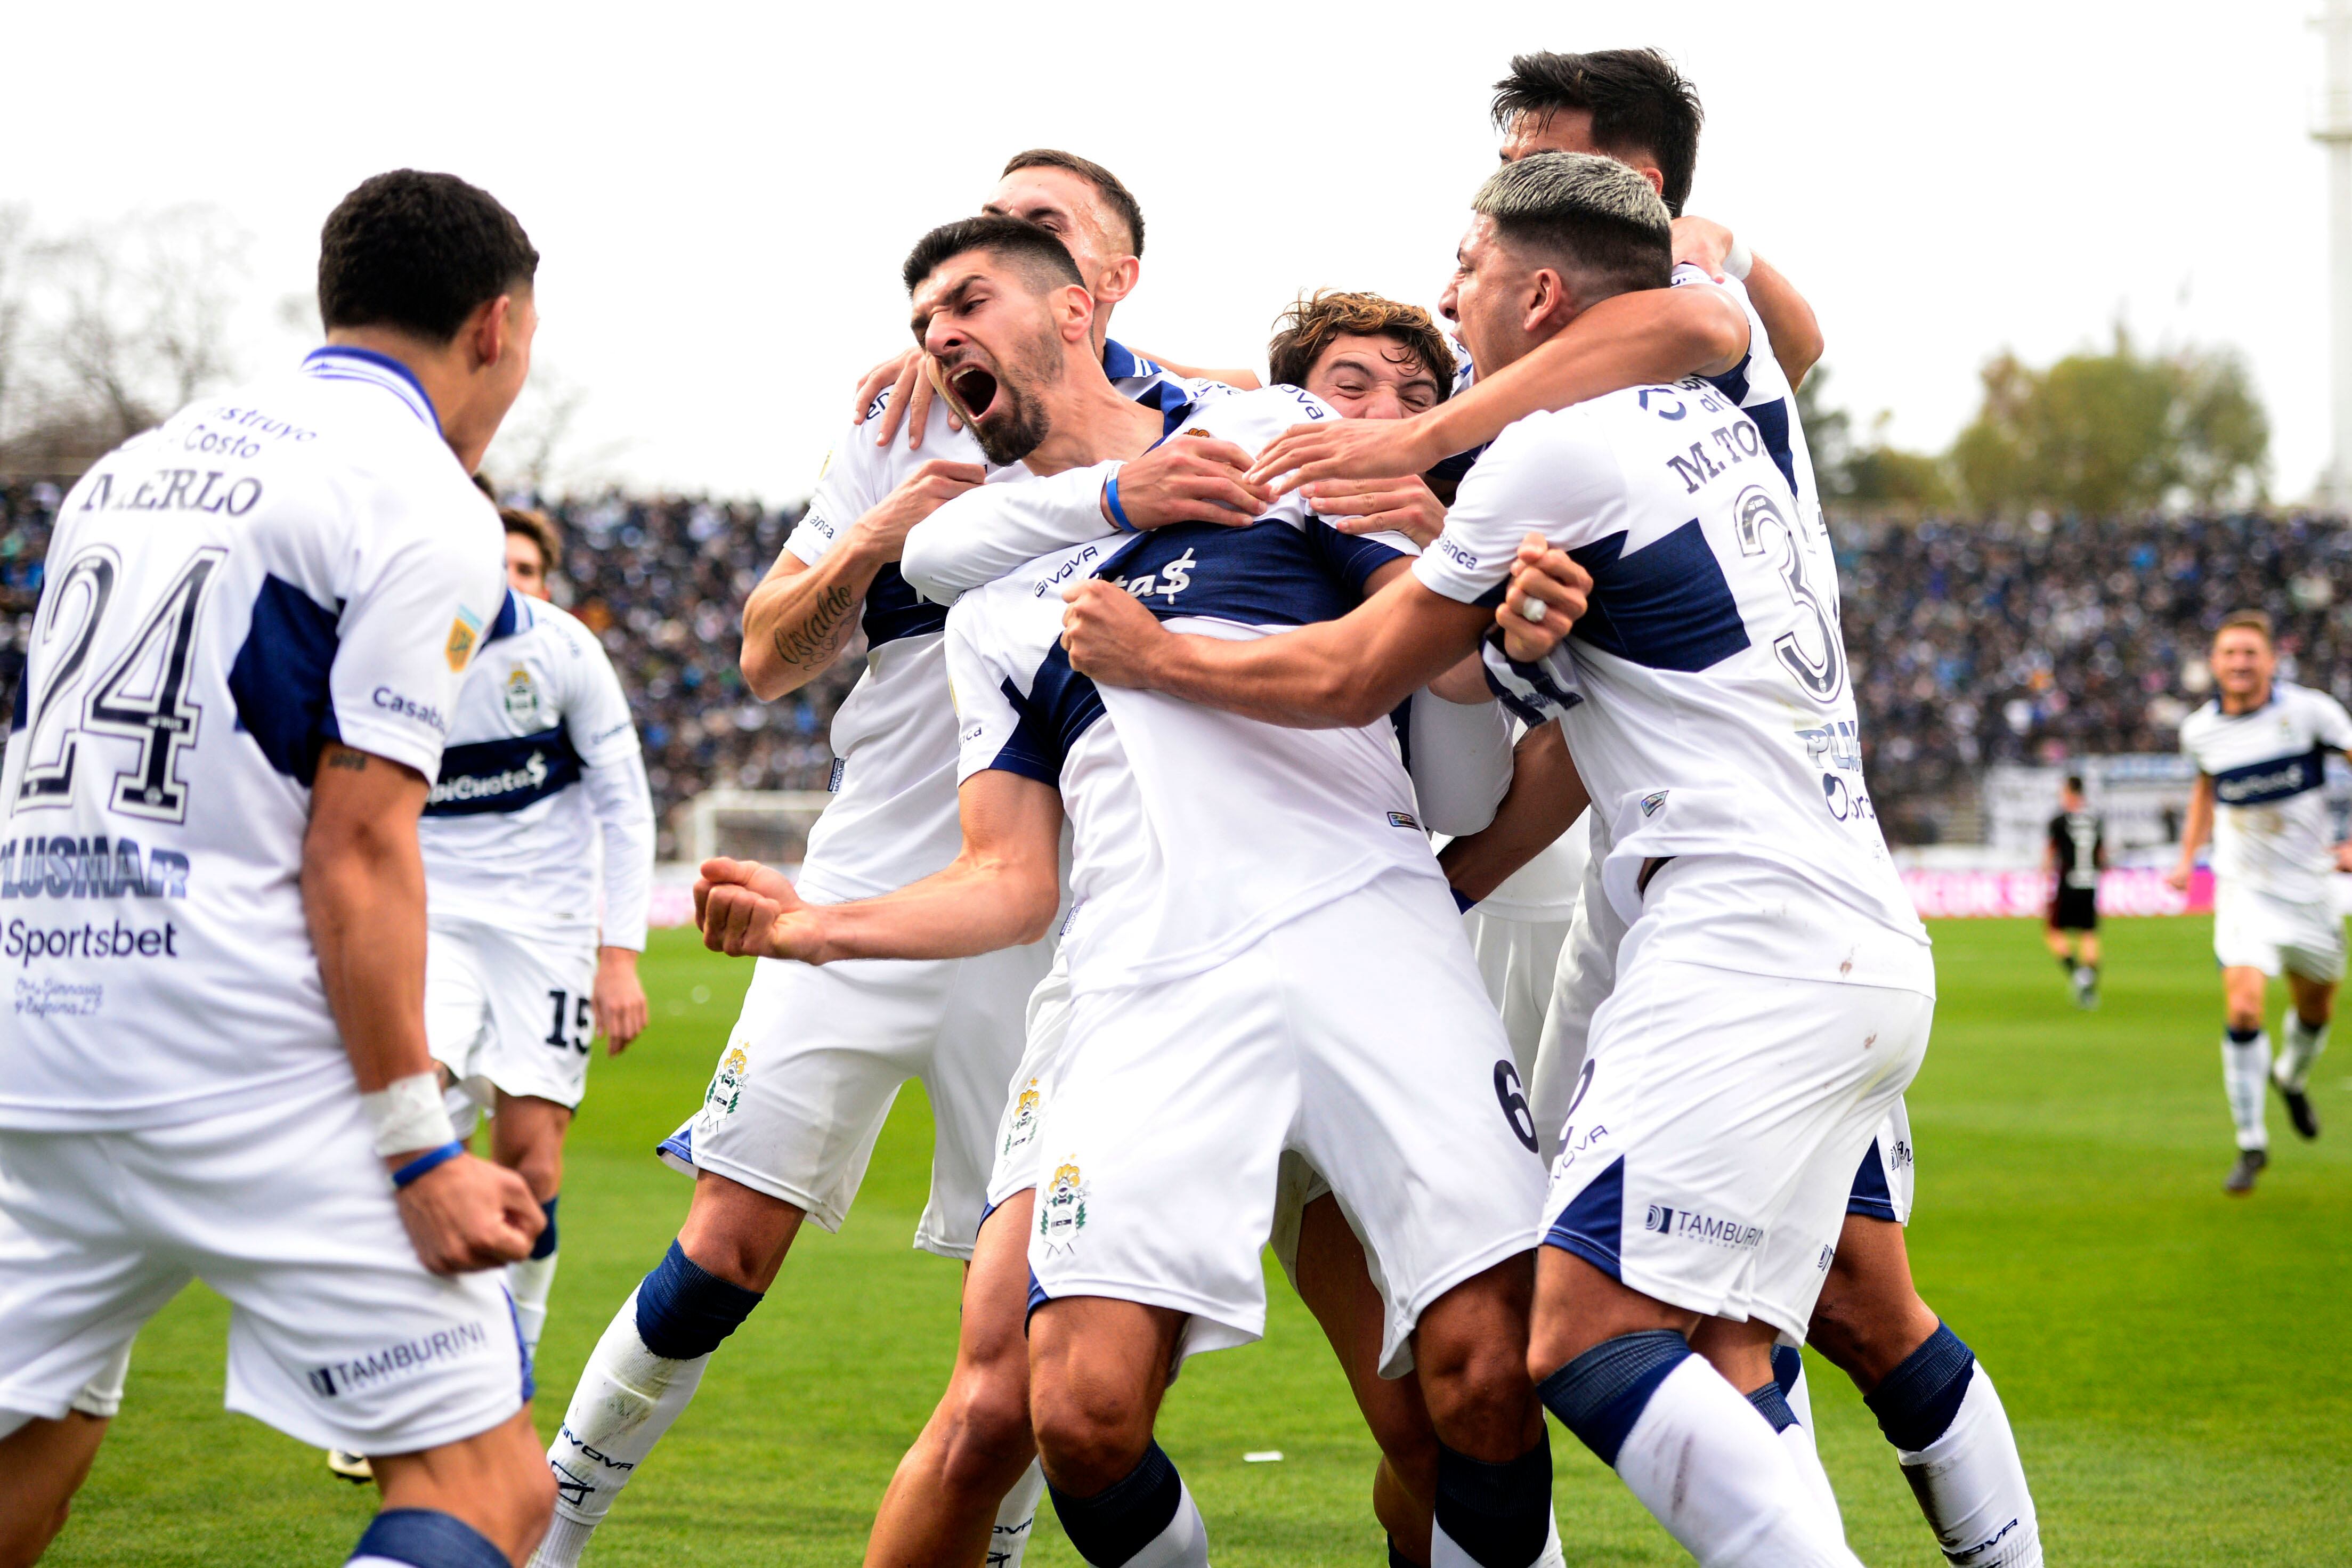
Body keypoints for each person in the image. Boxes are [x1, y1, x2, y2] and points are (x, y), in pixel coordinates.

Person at [1062, 151, 1935, 1566]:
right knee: (1688, 1343)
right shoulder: (1712, 405)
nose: (1446, 302)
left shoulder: (1536, 460)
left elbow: (1363, 675)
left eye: (1463, 274)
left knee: (1561, 1348)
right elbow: (1699, 320)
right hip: (1803, 923)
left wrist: (1161, 651)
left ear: (1536, 290)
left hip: (1722, 932)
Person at [1256, 53, 2049, 1565]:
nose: (1461, 243)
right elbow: (1556, 685)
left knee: (1609, 1320)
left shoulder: (1644, 345)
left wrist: (1406, 464)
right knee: (1730, 1318)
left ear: (1625, 195)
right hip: (1708, 877)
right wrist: (1504, 634)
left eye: (1519, 178)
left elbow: (1368, 659)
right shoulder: (1671, 408)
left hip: (1739, 902)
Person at [702, 217, 1560, 1568]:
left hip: (1369, 936)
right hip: (1142, 986)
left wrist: (1466, 592)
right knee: (1079, 1408)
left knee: (1480, 1381)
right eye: (924, 317)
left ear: (1078, 311)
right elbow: (1006, 877)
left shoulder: (1273, 440)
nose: (935, 337)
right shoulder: (990, 610)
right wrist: (814, 925)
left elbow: (1444, 707)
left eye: (967, 301)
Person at [529, 155, 1213, 1568]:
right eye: (987, 234)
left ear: (1109, 282)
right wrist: (877, 534)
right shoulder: (898, 424)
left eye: (1042, 232)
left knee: (1025, 1306)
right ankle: (548, 1526)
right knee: (723, 1246)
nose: (1000, 256)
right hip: (863, 882)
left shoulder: (1193, 426)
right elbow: (767, 657)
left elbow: (1350, 387)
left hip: (1056, 930)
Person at [0, 169, 553, 1568]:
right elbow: (357, 850)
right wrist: (419, 1142)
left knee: (40, 1437)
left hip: (36, 1023)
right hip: (230, 1045)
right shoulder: (426, 499)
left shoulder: (124, 470)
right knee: (487, 1485)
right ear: (496, 326)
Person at [2168, 609, 2352, 1193]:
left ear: (2272, 661)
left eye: (2251, 653)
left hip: (2312, 892)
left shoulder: (2310, 713)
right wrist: (2186, 857)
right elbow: (2204, 788)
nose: (2240, 663)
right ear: (2214, 664)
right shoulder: (2200, 731)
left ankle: (2291, 1080)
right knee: (2244, 1007)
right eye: (2229, 653)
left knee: (2317, 1008)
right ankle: (2251, 1143)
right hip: (2244, 890)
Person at [2043, 775, 2104, 1008]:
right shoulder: (2095, 819)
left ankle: (2078, 973)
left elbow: (2050, 853)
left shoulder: (2059, 821)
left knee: (2053, 931)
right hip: (2089, 882)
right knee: (2088, 935)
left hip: (2068, 882)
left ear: (2069, 792)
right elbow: (2101, 854)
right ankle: (2089, 989)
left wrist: (2045, 874)